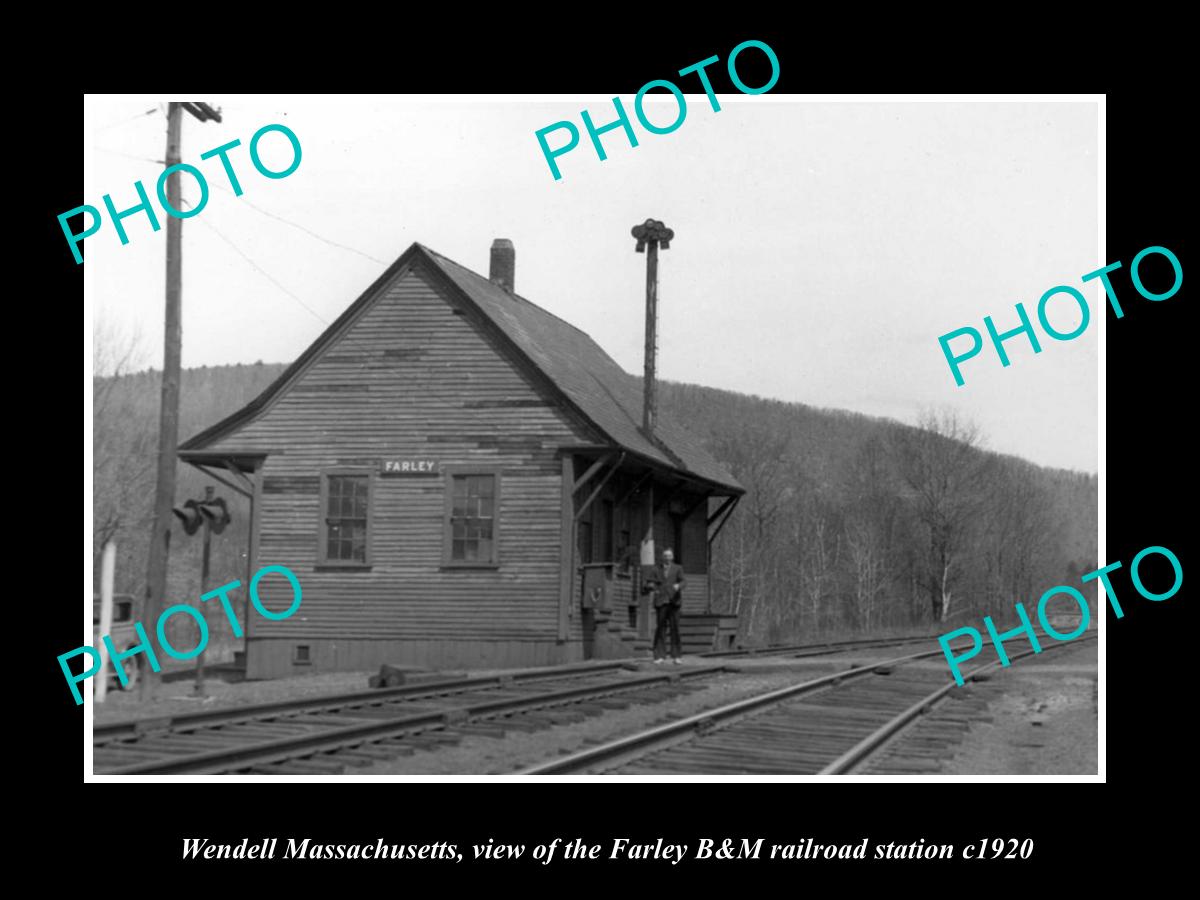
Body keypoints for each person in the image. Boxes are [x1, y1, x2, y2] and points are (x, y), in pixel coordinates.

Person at [645, 548, 685, 664]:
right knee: (660, 629)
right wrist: (652, 586)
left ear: (672, 557)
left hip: (674, 602)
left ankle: (676, 656)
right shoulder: (656, 569)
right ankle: (659, 655)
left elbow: (684, 581)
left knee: (675, 629)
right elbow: (649, 582)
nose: (667, 558)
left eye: (669, 556)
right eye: (665, 556)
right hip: (661, 602)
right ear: (662, 557)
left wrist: (679, 586)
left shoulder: (678, 568)